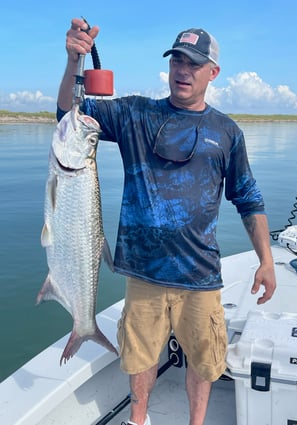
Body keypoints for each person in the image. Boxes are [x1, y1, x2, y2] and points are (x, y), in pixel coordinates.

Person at [57, 18, 276, 425]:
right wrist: (74, 61)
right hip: (143, 273)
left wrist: (266, 260)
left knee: (204, 361)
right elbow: (69, 114)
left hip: (200, 276)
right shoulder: (136, 114)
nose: (183, 70)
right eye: (177, 60)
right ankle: (137, 420)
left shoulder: (227, 132)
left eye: (193, 63)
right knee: (139, 356)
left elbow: (247, 198)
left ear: (213, 72)